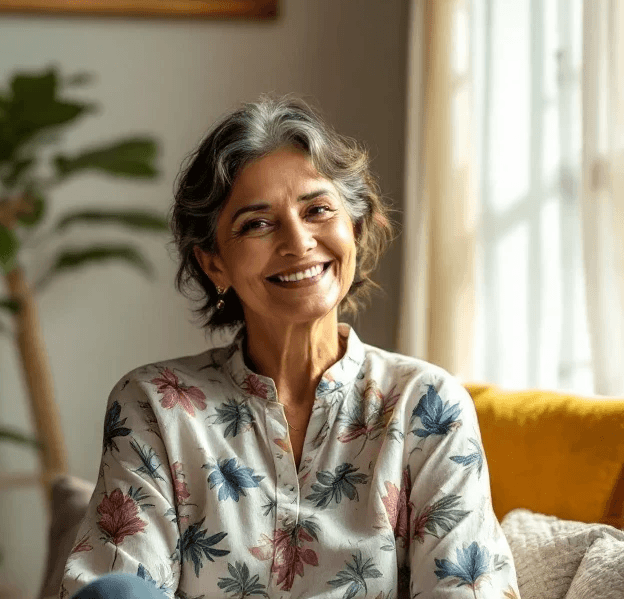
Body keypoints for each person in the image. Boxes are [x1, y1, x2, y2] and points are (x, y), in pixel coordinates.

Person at [60, 96, 521, 599]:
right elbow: (119, 586)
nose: (298, 242)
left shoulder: (427, 404)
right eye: (257, 223)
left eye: (318, 210)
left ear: (355, 228)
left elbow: (467, 589)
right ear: (214, 264)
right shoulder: (156, 405)